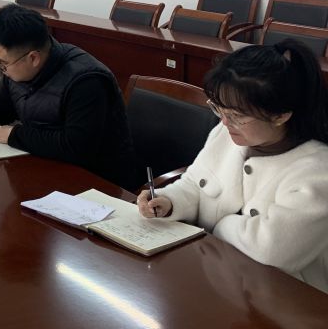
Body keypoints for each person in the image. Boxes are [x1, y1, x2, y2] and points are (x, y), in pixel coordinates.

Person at [137, 39, 328, 293]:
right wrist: (169, 201)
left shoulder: (317, 172)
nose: (225, 122)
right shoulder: (227, 135)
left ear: (281, 115)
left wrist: (220, 224)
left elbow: (270, 251)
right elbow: (194, 183)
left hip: (284, 299)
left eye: (237, 115)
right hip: (217, 277)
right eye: (219, 109)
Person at [0, 3, 137, 191]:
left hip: (99, 185)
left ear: (33, 58)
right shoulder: (21, 68)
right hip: (47, 169)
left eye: (3, 63)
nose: (0, 68)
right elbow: (5, 104)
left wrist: (12, 135)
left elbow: (75, 146)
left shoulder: (86, 81)